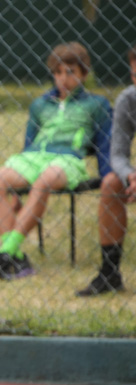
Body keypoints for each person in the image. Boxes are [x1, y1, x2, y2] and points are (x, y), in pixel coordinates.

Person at [0, 41, 112, 282]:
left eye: (71, 72)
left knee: (45, 180)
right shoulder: (40, 104)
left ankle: (4, 253)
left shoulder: (97, 104)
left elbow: (105, 144)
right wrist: (16, 192)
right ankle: (15, 258)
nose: (63, 79)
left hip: (67, 160)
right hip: (34, 158)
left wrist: (108, 178)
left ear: (84, 74)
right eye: (58, 72)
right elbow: (28, 144)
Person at [76, 44, 136, 296]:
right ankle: (109, 273)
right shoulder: (129, 99)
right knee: (111, 182)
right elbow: (118, 154)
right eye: (134, 75)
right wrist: (130, 175)